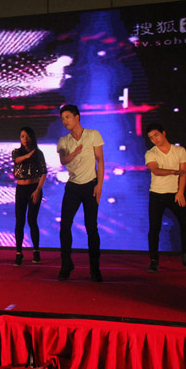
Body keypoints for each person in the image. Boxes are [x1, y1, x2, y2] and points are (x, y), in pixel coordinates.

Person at [56, 104, 104, 282]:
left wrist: (99, 185)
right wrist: (75, 153)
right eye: (63, 118)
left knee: (91, 227)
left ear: (77, 117)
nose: (65, 121)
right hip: (73, 187)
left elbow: (100, 160)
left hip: (91, 185)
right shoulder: (64, 140)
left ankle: (95, 269)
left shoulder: (93, 134)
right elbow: (63, 160)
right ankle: (66, 264)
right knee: (65, 226)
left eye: (68, 117)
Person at [144, 123, 186, 272]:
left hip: (174, 193)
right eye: (151, 138)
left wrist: (180, 192)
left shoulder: (180, 150)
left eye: (156, 135)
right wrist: (174, 172)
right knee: (154, 228)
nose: (154, 139)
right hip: (156, 194)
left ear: (163, 133)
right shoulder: (150, 153)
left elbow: (183, 173)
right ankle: (154, 260)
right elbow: (156, 170)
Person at [12, 127, 47, 265]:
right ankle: (19, 253)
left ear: (32, 137)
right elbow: (17, 160)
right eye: (22, 136)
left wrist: (38, 190)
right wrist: (27, 156)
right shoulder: (16, 152)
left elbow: (43, 172)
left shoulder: (38, 153)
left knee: (32, 220)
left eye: (27, 136)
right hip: (21, 189)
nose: (25, 139)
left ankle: (36, 251)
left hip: (34, 188)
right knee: (19, 221)